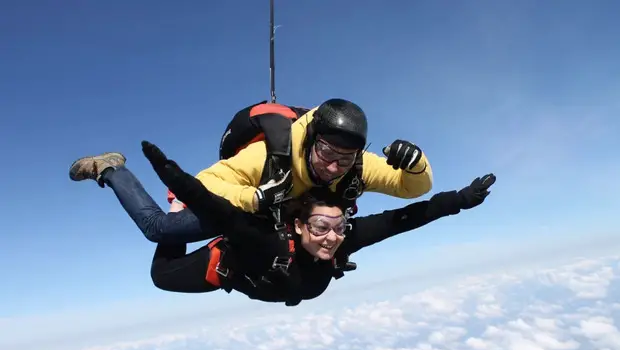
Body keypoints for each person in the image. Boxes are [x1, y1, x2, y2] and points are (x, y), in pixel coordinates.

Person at [142, 141, 496, 306]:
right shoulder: (266, 239)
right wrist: (173, 177)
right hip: (234, 266)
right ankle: (117, 174)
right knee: (162, 275)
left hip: (273, 282)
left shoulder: (345, 239)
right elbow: (218, 210)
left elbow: (404, 219)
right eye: (322, 227)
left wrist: (461, 200)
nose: (332, 238)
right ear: (298, 226)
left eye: (339, 227)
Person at [68, 99, 433, 250]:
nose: (335, 166)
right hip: (245, 203)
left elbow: (411, 187)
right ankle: (111, 168)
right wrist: (254, 198)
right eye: (326, 153)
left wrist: (417, 165)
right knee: (161, 232)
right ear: (311, 142)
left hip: (286, 215)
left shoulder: (356, 165)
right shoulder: (268, 156)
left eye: (347, 157)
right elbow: (206, 182)